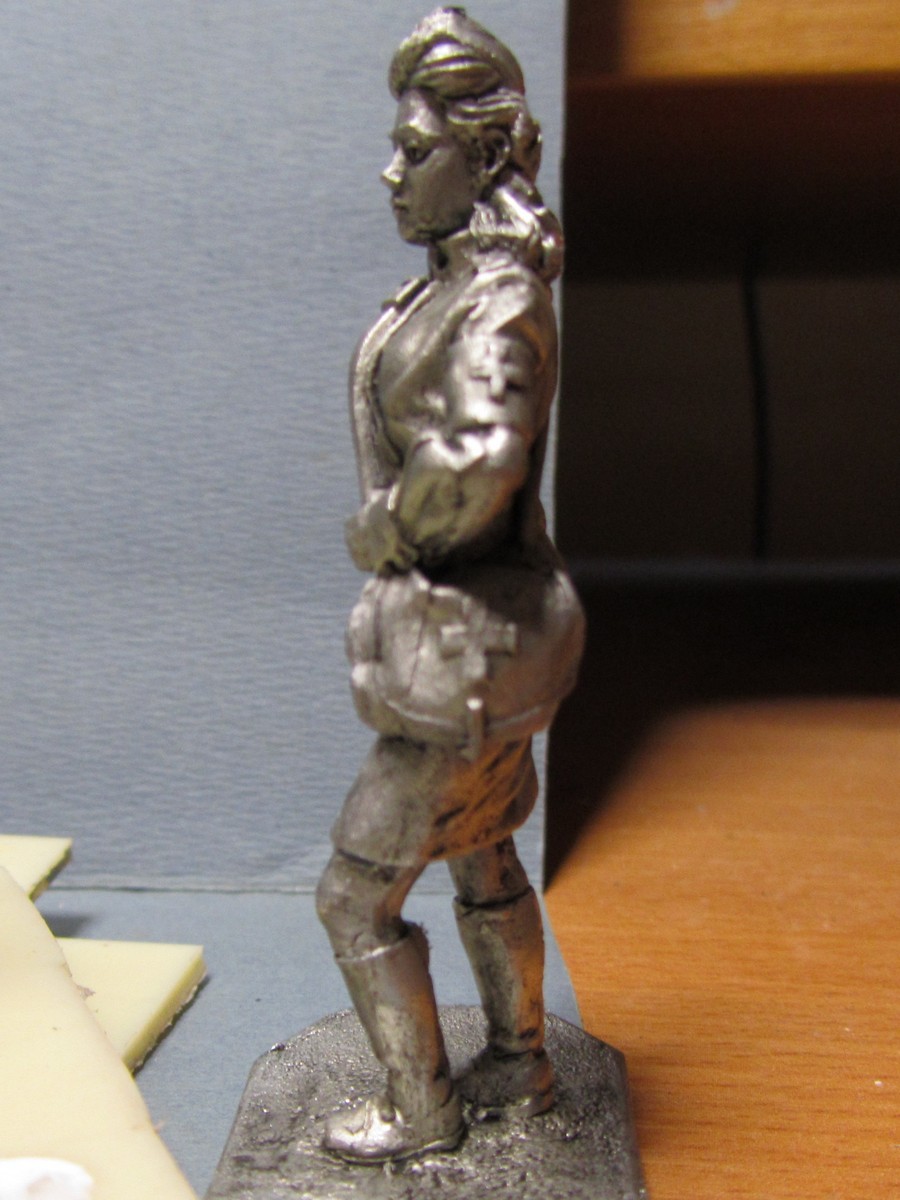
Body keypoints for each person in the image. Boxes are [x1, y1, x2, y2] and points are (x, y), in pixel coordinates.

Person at [316, 7, 583, 1164]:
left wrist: (390, 526)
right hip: (471, 643)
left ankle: (423, 1112)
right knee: (484, 851)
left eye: (415, 147)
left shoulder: (498, 301)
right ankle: (520, 1064)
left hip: (467, 652)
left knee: (354, 896)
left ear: (482, 158)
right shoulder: (456, 288)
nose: (392, 169)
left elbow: (480, 458)